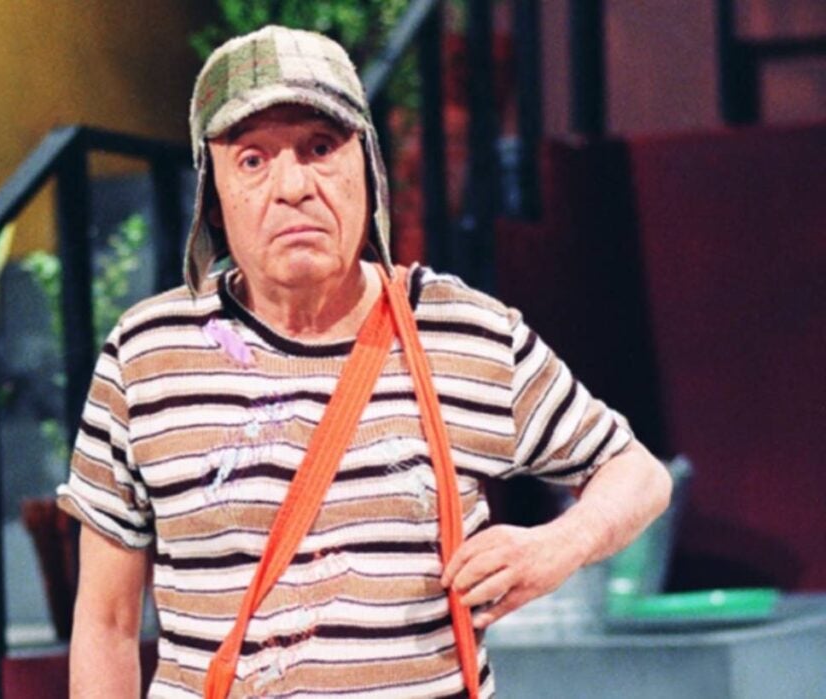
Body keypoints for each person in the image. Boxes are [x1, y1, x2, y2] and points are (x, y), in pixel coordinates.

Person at [58, 25, 671, 698]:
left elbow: (638, 474)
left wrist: (558, 545)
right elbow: (107, 623)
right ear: (214, 196)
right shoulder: (147, 354)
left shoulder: (463, 331)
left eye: (320, 147)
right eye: (253, 159)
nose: (292, 185)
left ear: (367, 168)